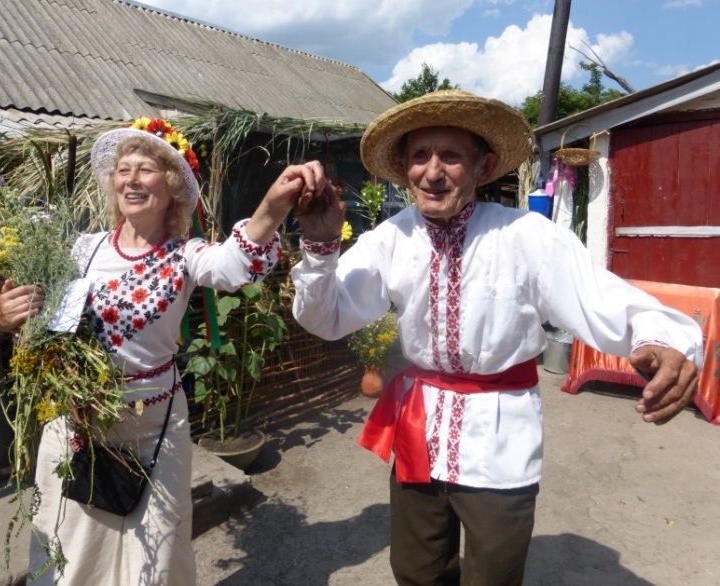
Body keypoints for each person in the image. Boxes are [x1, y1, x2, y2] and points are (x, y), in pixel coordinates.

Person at [289, 90, 703, 585]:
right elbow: (326, 316)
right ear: (404, 168)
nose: (433, 171)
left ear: (483, 168)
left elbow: (600, 297)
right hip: (419, 427)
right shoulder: (391, 238)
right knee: (416, 571)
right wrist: (319, 247)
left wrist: (662, 336)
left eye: (451, 156)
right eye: (420, 156)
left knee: (494, 576)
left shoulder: (527, 235)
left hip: (500, 441)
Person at [0, 117, 321, 585]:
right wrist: (6, 319)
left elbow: (234, 266)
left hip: (156, 426)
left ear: (170, 188)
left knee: (158, 552)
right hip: (77, 422)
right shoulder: (80, 251)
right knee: (70, 545)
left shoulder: (187, 255)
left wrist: (271, 206)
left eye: (145, 169)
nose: (131, 179)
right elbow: (37, 324)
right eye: (123, 169)